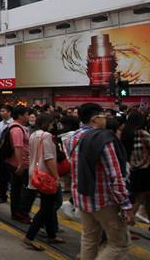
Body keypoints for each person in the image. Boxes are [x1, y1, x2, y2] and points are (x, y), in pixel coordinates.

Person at [67, 103, 133, 259]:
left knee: (89, 238)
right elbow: (115, 175)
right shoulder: (103, 139)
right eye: (104, 115)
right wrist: (125, 203)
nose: (106, 119)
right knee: (119, 244)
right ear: (95, 119)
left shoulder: (71, 138)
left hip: (82, 196)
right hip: (103, 200)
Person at [23, 113, 63, 251]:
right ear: (47, 123)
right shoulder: (46, 136)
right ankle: (29, 236)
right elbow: (49, 157)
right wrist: (57, 176)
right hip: (45, 174)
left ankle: (51, 234)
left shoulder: (34, 134)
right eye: (52, 123)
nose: (53, 126)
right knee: (47, 207)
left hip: (34, 172)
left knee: (49, 204)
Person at [121, 110, 150, 222]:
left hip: (131, 170)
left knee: (139, 196)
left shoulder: (125, 132)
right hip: (145, 170)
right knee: (140, 197)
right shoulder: (141, 133)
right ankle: (128, 220)